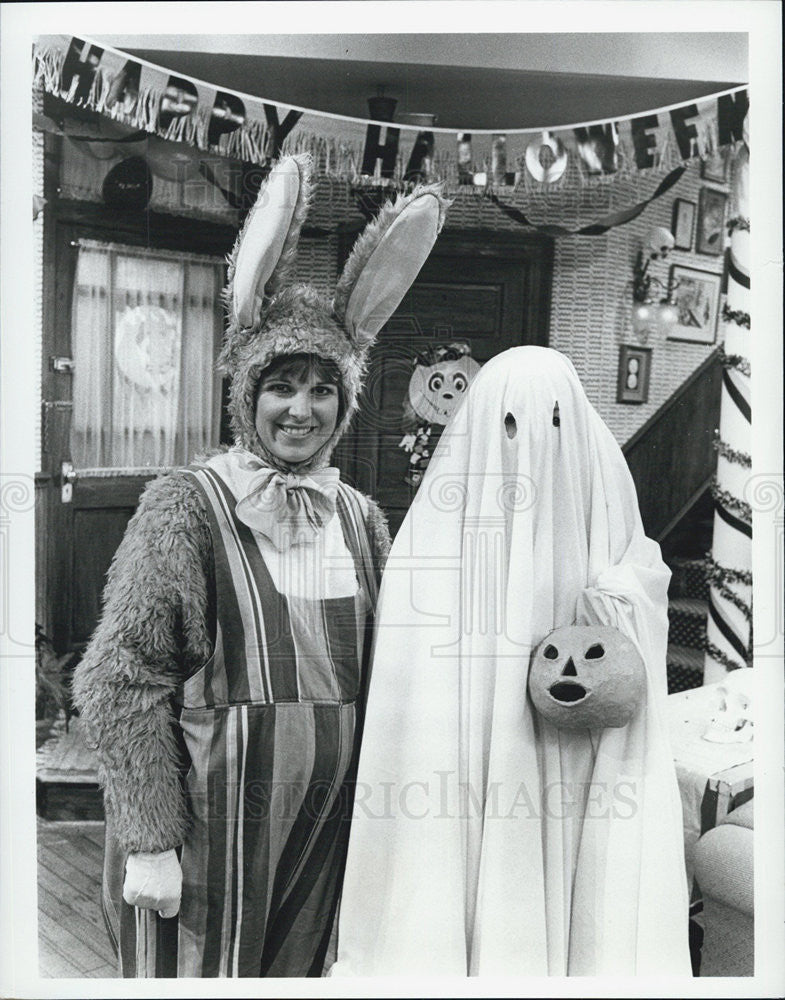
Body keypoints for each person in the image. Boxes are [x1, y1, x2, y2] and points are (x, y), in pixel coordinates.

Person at [72, 154, 448, 978]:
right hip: (207, 837)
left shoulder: (362, 519)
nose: (301, 410)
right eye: (282, 384)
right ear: (247, 393)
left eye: (323, 389)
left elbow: (395, 673)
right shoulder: (185, 505)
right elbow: (118, 678)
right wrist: (150, 837)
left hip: (326, 834)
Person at [331, 345, 692, 977]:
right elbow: (412, 676)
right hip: (466, 760)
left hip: (576, 753)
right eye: (508, 426)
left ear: (575, 424)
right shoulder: (432, 541)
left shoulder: (600, 494)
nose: (529, 448)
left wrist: (611, 603)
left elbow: (645, 581)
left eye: (553, 423)